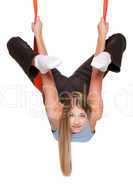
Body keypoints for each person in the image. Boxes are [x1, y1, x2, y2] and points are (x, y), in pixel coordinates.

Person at [7, 16, 126, 176]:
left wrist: (38, 34)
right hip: (83, 88)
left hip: (58, 90)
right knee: (118, 39)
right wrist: (101, 35)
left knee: (13, 43)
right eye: (81, 116)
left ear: (65, 113)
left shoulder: (56, 115)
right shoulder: (94, 113)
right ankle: (107, 58)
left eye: (72, 115)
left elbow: (47, 77)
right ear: (86, 114)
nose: (77, 121)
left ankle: (35, 60)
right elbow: (96, 76)